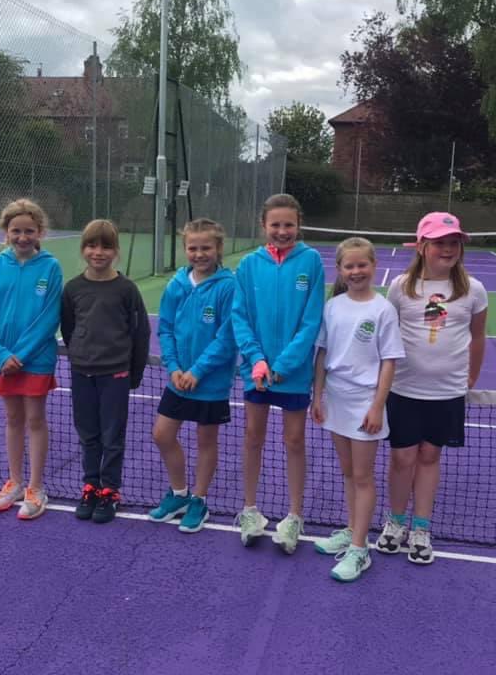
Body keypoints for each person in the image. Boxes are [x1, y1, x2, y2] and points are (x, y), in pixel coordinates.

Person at [376, 212, 488, 564]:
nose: (449, 248)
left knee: (429, 456)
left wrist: (471, 376)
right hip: (404, 390)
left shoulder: (473, 289)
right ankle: (395, 523)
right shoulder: (400, 286)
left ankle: (421, 528)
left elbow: (478, 335)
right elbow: (385, 334)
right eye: (440, 242)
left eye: (454, 242)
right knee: (402, 457)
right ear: (422, 246)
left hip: (447, 393)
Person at [232, 193, 325, 553]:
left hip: (293, 374)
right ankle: (251, 510)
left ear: (298, 224)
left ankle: (294, 515)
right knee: (253, 438)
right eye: (276, 225)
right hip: (256, 373)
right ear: (264, 226)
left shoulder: (312, 261)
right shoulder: (249, 265)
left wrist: (284, 365)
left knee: (294, 441)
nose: (282, 231)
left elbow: (311, 319)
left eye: (289, 224)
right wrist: (256, 359)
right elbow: (240, 316)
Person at [311, 237, 405, 581]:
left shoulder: (383, 310)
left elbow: (389, 362)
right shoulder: (332, 306)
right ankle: (353, 530)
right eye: (349, 266)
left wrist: (377, 406)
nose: (355, 271)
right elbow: (321, 354)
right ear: (339, 270)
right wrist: (317, 395)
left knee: (363, 476)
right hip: (335, 399)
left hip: (366, 403)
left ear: (373, 266)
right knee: (349, 472)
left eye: (361, 265)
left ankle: (360, 548)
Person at [0, 198, 63, 520]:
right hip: (2, 361)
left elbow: (50, 318)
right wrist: (0, 355)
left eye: (29, 231)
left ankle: (36, 488)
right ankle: (14, 482)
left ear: (40, 232)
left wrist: (20, 356)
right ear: (5, 232)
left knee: (35, 420)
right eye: (16, 231)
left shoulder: (50, 268)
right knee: (12, 419)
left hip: (35, 360)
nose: (22, 237)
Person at [148, 218, 237, 533]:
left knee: (205, 440)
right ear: (185, 249)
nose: (199, 254)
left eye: (206, 247)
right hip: (178, 379)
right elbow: (166, 328)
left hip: (209, 382)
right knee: (162, 434)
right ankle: (179, 494)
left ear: (218, 249)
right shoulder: (176, 284)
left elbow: (227, 338)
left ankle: (199, 500)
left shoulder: (228, 287)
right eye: (193, 248)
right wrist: (173, 367)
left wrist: (197, 371)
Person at [61, 219, 150, 524]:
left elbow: (140, 334)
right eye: (91, 245)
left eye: (105, 246)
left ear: (116, 251)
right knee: (89, 434)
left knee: (112, 436)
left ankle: (110, 490)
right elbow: (69, 327)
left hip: (116, 375)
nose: (98, 252)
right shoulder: (73, 288)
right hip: (81, 373)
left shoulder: (126, 289)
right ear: (83, 249)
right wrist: (79, 355)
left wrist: (134, 373)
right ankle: (91, 486)